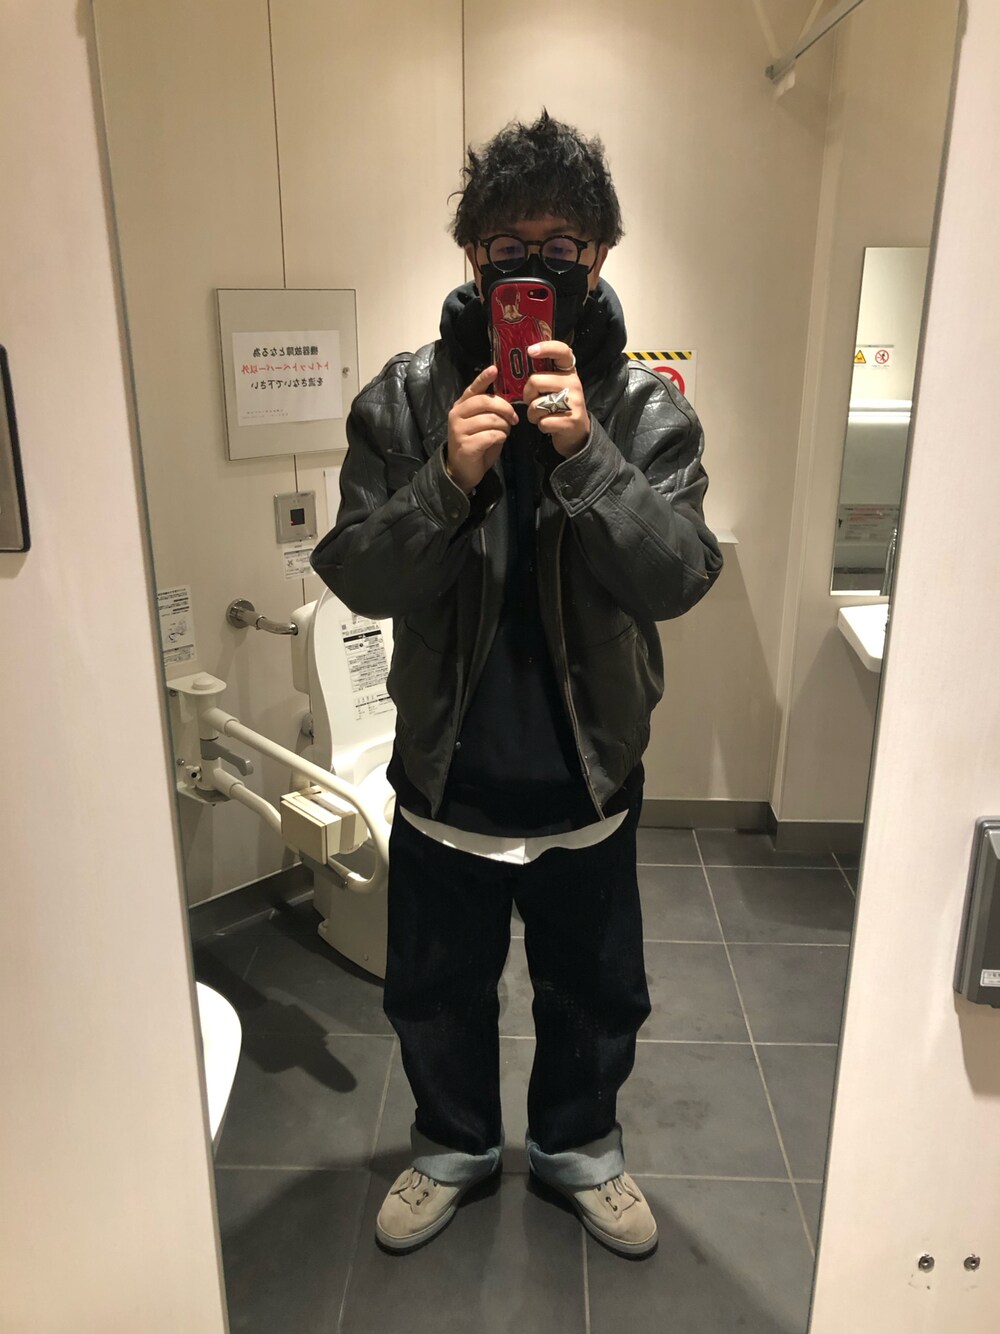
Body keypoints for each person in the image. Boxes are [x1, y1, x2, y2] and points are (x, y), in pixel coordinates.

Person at [310, 111, 723, 1258]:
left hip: (586, 776)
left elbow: (680, 576)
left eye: (560, 244)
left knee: (594, 991)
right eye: (507, 245)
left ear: (599, 255)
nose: (533, 264)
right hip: (448, 774)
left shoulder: (646, 412)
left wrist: (589, 457)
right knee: (434, 989)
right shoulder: (406, 399)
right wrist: (447, 478)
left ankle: (579, 1145)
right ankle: (450, 1143)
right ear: (471, 254)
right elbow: (358, 574)